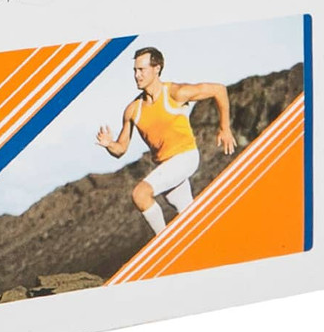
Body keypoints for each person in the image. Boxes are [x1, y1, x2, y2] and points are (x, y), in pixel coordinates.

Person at [96, 47, 236, 237]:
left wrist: (224, 128)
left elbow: (219, 90)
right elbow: (121, 149)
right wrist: (109, 144)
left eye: (141, 70)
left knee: (140, 194)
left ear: (157, 69)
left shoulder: (175, 93)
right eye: (135, 70)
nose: (137, 75)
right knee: (192, 221)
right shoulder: (133, 110)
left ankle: (163, 244)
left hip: (185, 157)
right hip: (165, 165)